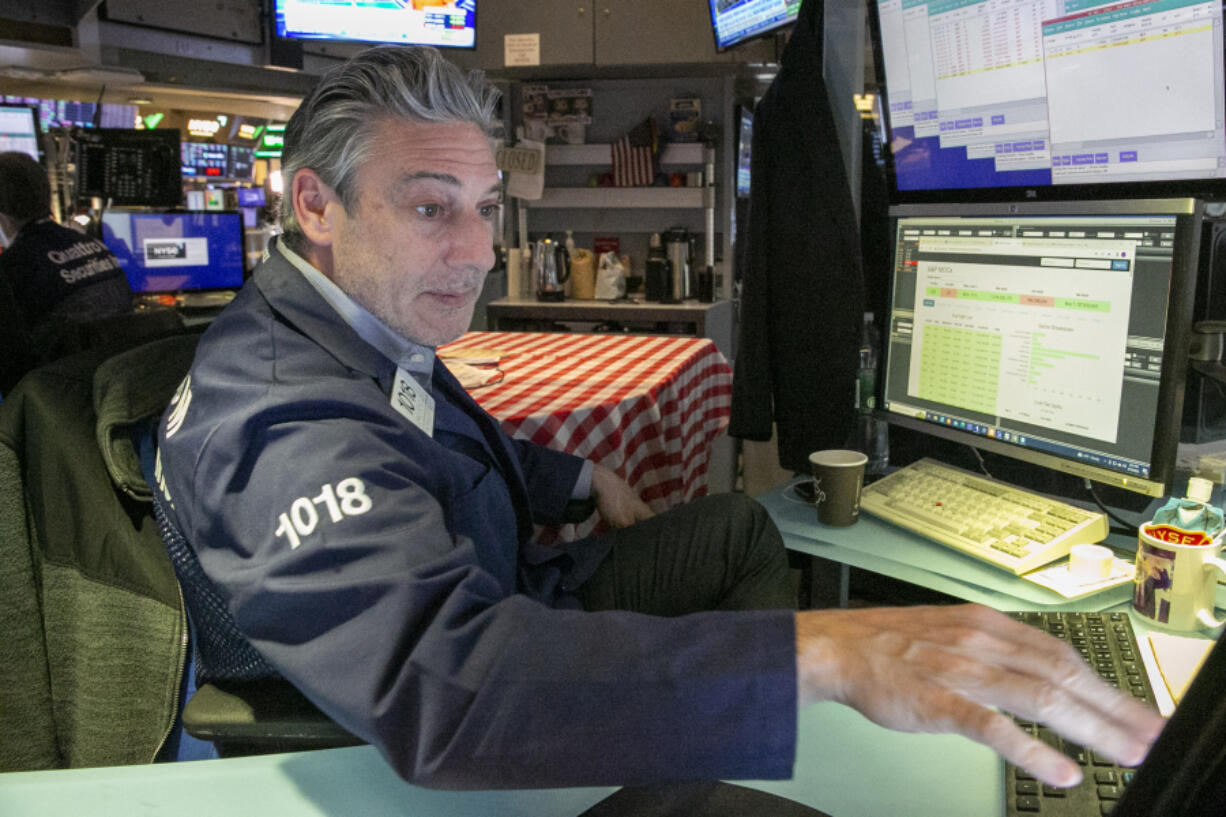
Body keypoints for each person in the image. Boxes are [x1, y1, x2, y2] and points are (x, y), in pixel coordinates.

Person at [155, 46, 1164, 792]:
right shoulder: (282, 413)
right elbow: (446, 685)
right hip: (468, 695)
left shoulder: (351, 324)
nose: (473, 249)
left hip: (517, 587)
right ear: (315, 206)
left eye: (482, 204)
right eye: (430, 208)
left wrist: (577, 479)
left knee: (735, 524)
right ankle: (693, 772)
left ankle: (719, 759)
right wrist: (815, 657)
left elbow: (443, 429)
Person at [0, 151, 132, 392]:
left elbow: (12, 360)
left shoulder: (12, 269)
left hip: (56, 397)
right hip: (118, 385)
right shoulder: (94, 246)